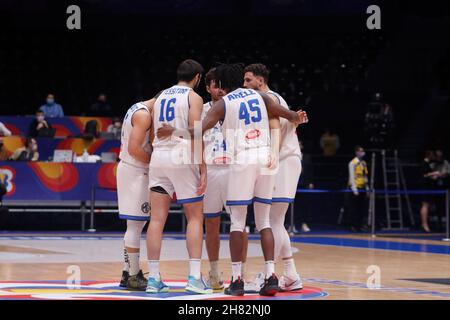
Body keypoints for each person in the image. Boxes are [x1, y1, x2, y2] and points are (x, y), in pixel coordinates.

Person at [157, 63, 306, 296]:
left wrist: (172, 131)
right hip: (266, 158)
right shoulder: (262, 97)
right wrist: (297, 116)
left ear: (225, 84)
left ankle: (236, 280)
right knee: (264, 221)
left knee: (237, 222)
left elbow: (197, 130)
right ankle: (271, 276)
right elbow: (286, 115)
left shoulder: (225, 103)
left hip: (243, 159)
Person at [146, 59, 211, 294]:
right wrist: (203, 167)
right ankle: (194, 278)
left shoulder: (161, 96)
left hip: (159, 156)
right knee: (195, 217)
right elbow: (196, 132)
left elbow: (153, 131)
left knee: (156, 219)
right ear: (197, 78)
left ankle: (153, 279)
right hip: (182, 154)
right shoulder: (193, 98)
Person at [243, 63, 306, 292]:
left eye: (248, 80)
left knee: (273, 221)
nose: (245, 84)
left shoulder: (271, 99)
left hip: (284, 160)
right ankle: (290, 275)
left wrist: (272, 159)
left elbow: (276, 132)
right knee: (274, 221)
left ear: (260, 81)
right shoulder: (265, 99)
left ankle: (268, 274)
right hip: (280, 160)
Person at [117, 98, 154, 291]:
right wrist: (155, 162)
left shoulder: (137, 108)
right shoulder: (143, 114)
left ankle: (127, 271)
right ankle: (133, 275)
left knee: (134, 225)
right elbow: (134, 149)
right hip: (135, 170)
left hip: (130, 169)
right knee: (135, 225)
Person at [201, 68, 228, 291]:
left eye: (223, 84)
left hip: (234, 171)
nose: (219, 89)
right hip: (210, 171)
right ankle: (214, 272)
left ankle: (239, 274)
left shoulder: (238, 108)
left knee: (240, 224)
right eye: (215, 84)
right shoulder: (200, 110)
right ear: (208, 87)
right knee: (211, 223)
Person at [347, 146, 369, 232]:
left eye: (362, 151)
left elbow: (365, 176)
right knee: (354, 208)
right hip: (354, 188)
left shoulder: (363, 163)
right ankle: (353, 225)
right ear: (356, 152)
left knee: (362, 208)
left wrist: (367, 188)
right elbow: (352, 176)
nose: (362, 153)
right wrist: (354, 189)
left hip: (362, 188)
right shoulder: (352, 163)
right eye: (360, 151)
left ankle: (360, 225)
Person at [420, 150, 440, 232]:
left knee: (427, 205)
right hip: (424, 187)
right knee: (425, 205)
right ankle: (424, 224)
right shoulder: (424, 163)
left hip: (428, 187)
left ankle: (425, 224)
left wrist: (433, 176)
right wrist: (434, 173)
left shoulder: (427, 164)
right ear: (429, 155)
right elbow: (424, 175)